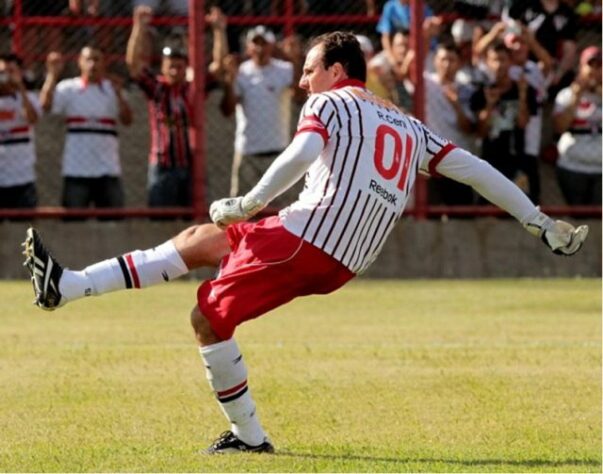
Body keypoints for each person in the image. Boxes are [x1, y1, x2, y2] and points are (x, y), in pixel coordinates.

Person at [23, 32, 588, 455]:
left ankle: (250, 438)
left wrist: (246, 202)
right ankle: (66, 286)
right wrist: (539, 221)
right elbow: (478, 170)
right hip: (337, 250)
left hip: (307, 238)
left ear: (336, 70)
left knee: (206, 319)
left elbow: (298, 156)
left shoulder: (330, 102)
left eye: (309, 69)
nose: (302, 81)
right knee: (198, 241)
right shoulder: (409, 124)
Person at [126, 5, 227, 208]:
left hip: (190, 163)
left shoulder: (193, 89)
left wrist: (219, 31)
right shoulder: (157, 88)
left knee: (192, 217)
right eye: (170, 65)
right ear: (163, 67)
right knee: (159, 218)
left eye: (179, 66)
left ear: (186, 68)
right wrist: (138, 28)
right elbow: (133, 64)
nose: (174, 70)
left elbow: (219, 66)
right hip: (162, 162)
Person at [39, 45, 133, 210]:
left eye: (97, 59)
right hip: (76, 170)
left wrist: (119, 94)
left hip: (108, 169)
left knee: (114, 223)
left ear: (104, 63)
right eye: (88, 59)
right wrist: (52, 75)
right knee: (73, 223)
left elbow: (127, 120)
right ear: (79, 63)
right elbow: (45, 107)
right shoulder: (68, 88)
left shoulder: (112, 89)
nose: (92, 64)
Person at [220, 25, 301, 203]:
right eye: (255, 44)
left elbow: (300, 97)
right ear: (248, 47)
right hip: (247, 152)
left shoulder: (285, 69)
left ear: (272, 46)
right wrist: (229, 81)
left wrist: (295, 60)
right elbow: (227, 110)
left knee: (281, 208)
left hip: (278, 151)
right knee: (241, 207)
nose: (259, 49)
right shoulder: (241, 72)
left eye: (263, 44)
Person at [470, 42, 538, 185]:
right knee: (487, 205)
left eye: (502, 59)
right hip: (488, 160)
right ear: (487, 63)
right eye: (494, 60)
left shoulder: (524, 89)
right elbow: (481, 132)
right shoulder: (481, 93)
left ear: (510, 62)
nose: (499, 65)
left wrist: (522, 94)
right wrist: (489, 105)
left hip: (517, 159)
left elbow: (522, 123)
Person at [424, 43, 477, 205]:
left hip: (458, 162)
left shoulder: (467, 90)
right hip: (429, 162)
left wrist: (456, 105)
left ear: (460, 63)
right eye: (443, 59)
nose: (446, 64)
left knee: (462, 218)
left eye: (452, 60)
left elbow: (469, 128)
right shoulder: (425, 83)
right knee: (429, 218)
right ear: (435, 61)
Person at [552, 46, 602, 205]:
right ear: (581, 67)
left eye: (599, 66)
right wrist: (576, 97)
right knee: (579, 220)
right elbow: (559, 127)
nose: (594, 71)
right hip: (572, 167)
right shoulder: (567, 94)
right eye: (590, 65)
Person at [0, 54, 41, 210]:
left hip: (22, 178)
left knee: (26, 229)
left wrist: (20, 89)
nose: (5, 77)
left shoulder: (29, 98)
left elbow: (31, 118)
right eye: (2, 72)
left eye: (10, 71)